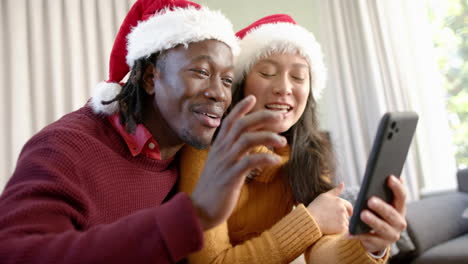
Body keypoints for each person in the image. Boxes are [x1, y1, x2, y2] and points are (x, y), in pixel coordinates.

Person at [0, 1, 288, 263]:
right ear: (151, 77)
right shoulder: (66, 147)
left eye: (226, 79)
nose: (218, 93)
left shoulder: (192, 147)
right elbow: (16, 253)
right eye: (200, 72)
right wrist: (192, 216)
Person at [179, 14, 407, 264]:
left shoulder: (308, 155)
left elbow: (321, 253)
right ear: (240, 85)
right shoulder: (206, 151)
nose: (284, 88)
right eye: (267, 73)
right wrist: (310, 221)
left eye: (298, 77)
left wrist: (366, 245)